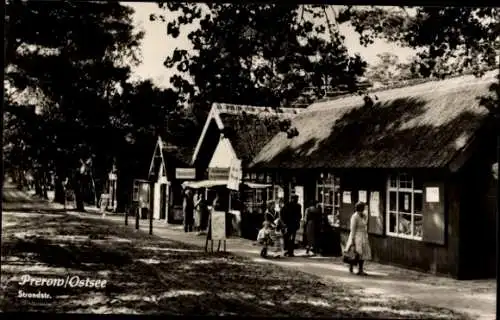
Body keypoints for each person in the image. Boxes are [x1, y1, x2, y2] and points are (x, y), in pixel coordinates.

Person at [344, 201, 372, 275]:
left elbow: (365, 225)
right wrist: (352, 240)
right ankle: (351, 266)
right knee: (356, 252)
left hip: (363, 235)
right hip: (357, 236)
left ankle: (360, 269)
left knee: (362, 254)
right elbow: (353, 229)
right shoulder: (354, 216)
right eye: (363, 207)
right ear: (360, 208)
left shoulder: (363, 215)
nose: (365, 209)